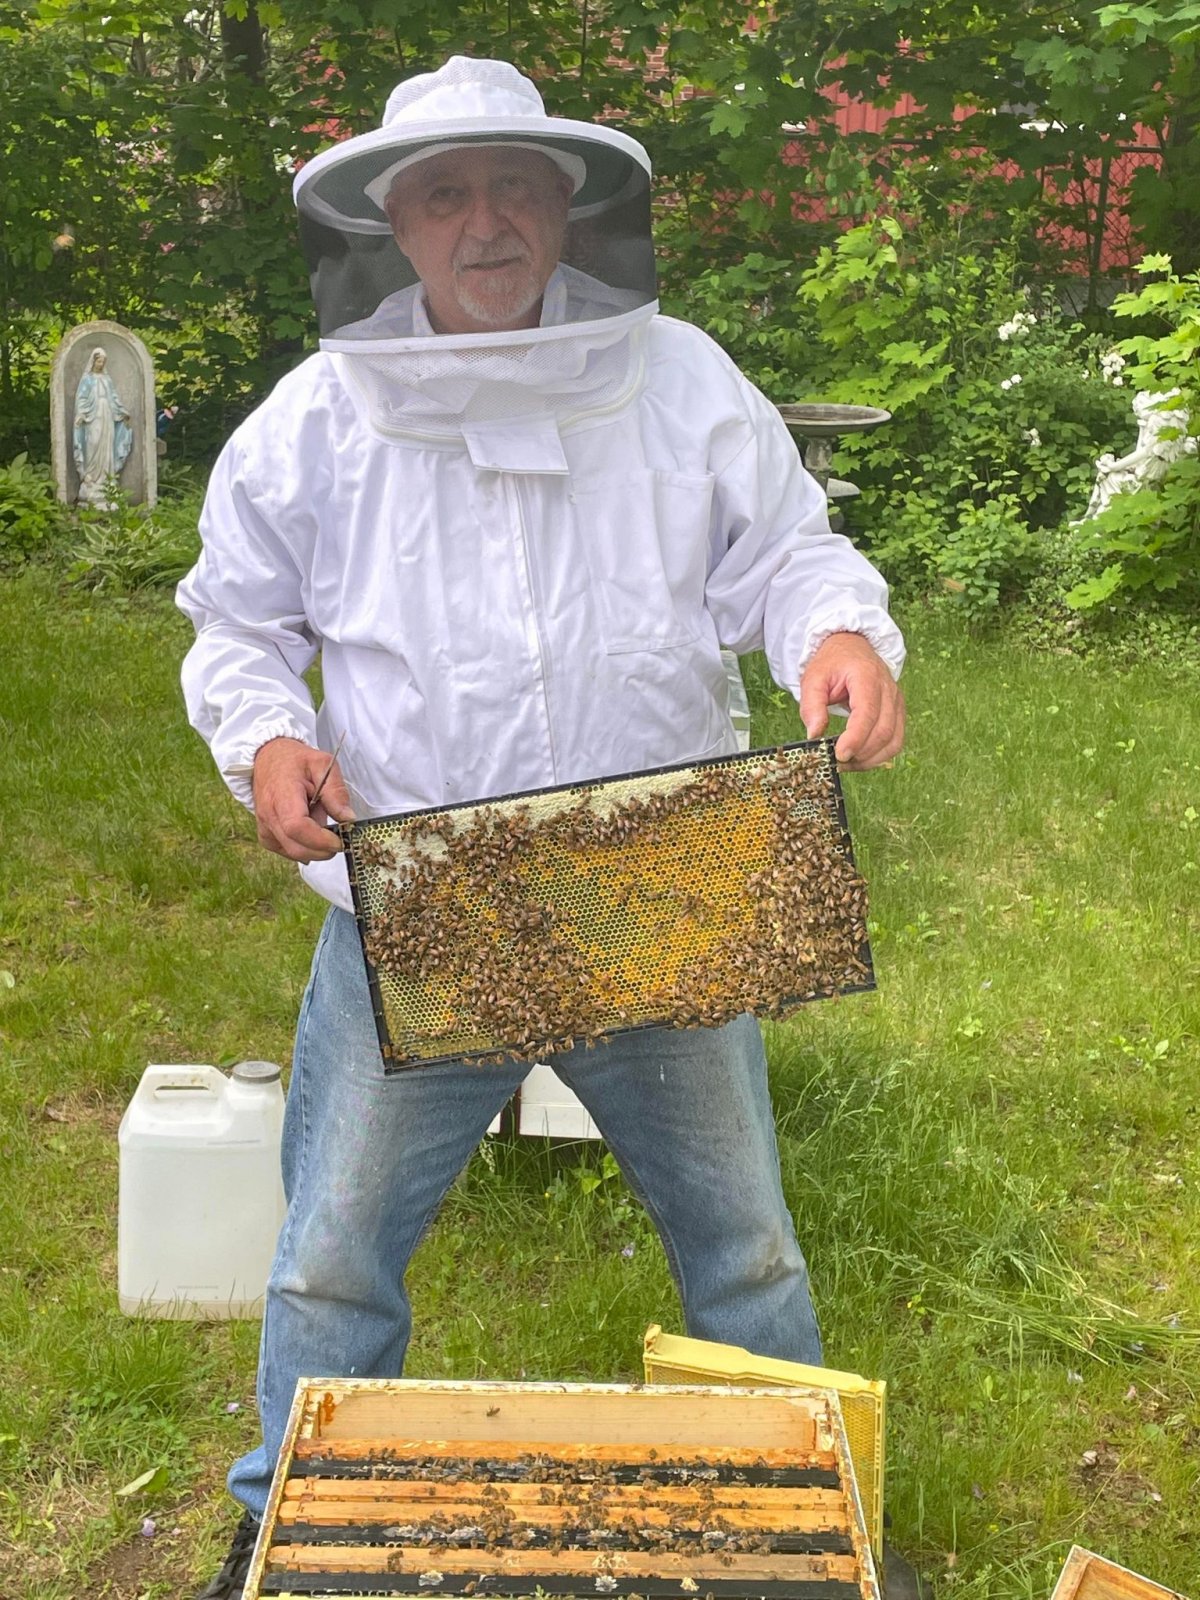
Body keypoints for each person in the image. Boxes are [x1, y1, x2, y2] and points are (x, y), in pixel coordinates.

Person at [178, 55, 907, 1600]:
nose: (486, 222)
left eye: (515, 185)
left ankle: (798, 1521)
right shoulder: (317, 419)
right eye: (446, 192)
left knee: (748, 1250)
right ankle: (281, 1515)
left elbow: (789, 553)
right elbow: (234, 621)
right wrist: (267, 734)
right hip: (425, 899)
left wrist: (837, 635)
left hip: (662, 877)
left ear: (571, 206)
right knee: (331, 1251)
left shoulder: (683, 378)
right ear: (395, 224)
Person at [73, 346, 133, 507]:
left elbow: (113, 398)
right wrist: (81, 414)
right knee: (93, 444)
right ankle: (91, 477)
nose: (100, 364)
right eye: (98, 360)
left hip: (107, 414)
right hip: (93, 417)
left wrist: (121, 412)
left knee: (107, 447)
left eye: (103, 361)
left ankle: (106, 479)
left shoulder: (107, 379)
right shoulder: (87, 379)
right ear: (93, 361)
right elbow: (82, 399)